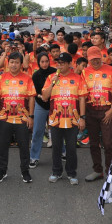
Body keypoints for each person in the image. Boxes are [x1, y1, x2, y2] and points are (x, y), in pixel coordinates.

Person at [42, 52, 86, 184]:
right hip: (56, 119)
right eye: (58, 63)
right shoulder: (51, 77)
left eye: (62, 63)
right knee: (56, 146)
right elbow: (45, 97)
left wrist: (82, 118)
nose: (59, 65)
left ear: (69, 64)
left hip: (73, 119)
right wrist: (53, 83)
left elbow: (82, 99)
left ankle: (72, 173)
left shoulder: (78, 78)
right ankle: (56, 172)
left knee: (71, 147)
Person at [0, 52, 36, 183]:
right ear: (8, 63)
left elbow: (31, 98)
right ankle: (2, 171)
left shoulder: (27, 78)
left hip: (22, 118)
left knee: (24, 146)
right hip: (4, 118)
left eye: (17, 62)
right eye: (11, 62)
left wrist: (31, 116)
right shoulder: (1, 78)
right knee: (2, 146)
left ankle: (25, 171)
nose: (14, 65)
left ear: (21, 64)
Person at [82, 46, 112, 181]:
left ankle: (110, 173)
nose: (95, 61)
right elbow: (82, 94)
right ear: (88, 59)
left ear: (101, 57)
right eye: (92, 59)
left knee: (108, 143)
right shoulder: (85, 72)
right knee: (93, 143)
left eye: (97, 58)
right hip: (91, 111)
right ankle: (97, 171)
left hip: (106, 112)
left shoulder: (111, 70)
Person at [29, 52, 56, 168]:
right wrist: (43, 97)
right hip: (40, 104)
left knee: (58, 131)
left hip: (54, 104)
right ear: (38, 63)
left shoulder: (55, 72)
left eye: (46, 61)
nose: (45, 64)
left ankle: (63, 152)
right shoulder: (36, 75)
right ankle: (34, 157)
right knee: (37, 131)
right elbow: (35, 92)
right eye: (42, 62)